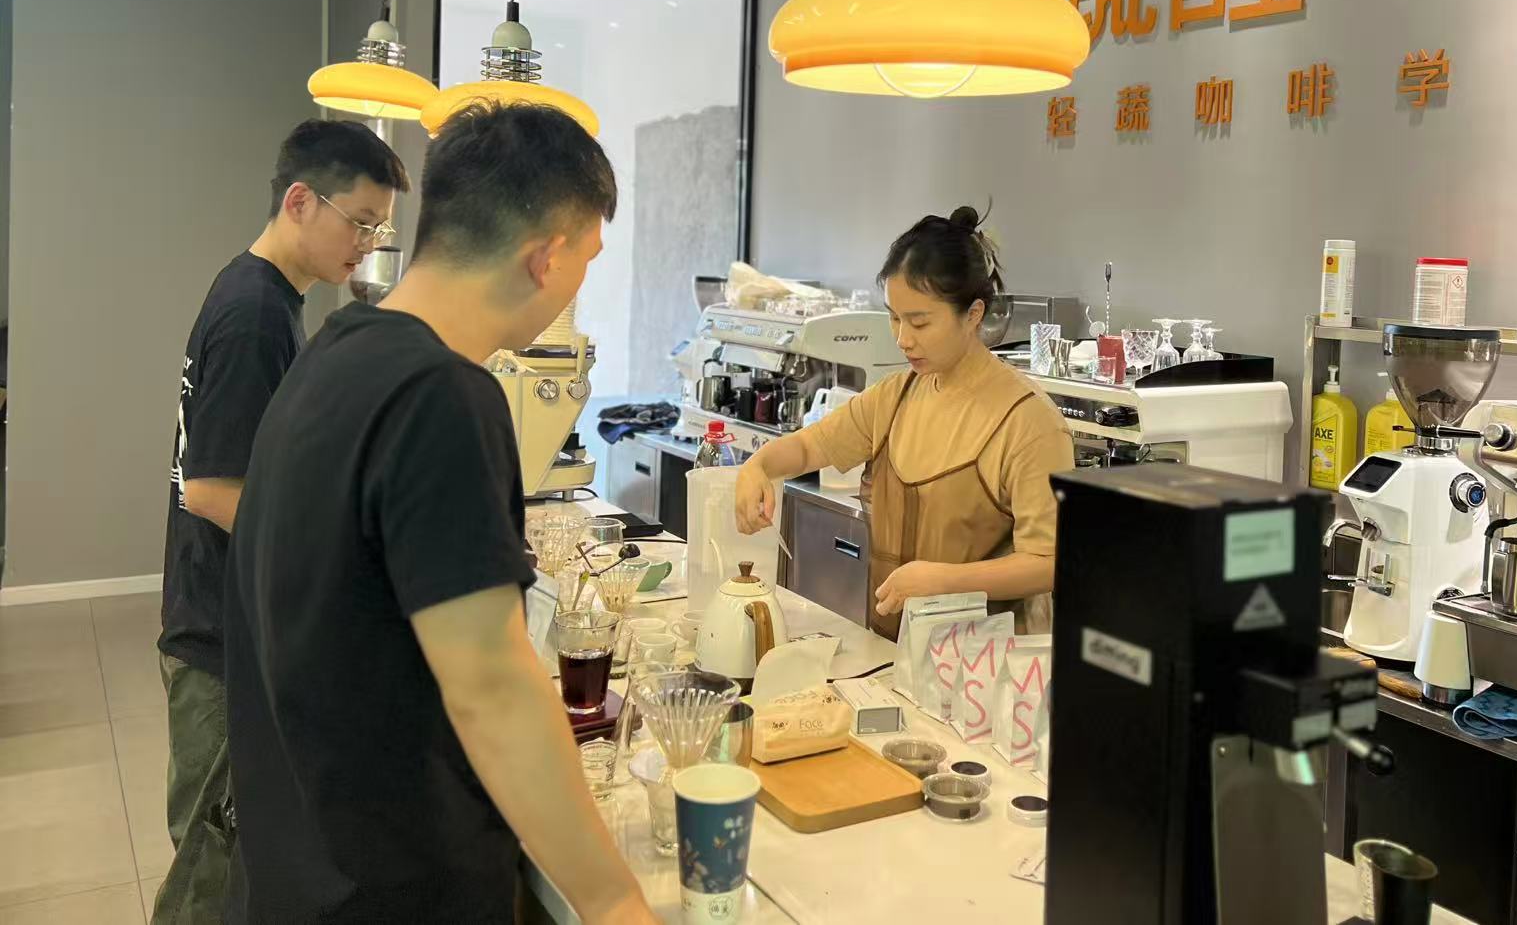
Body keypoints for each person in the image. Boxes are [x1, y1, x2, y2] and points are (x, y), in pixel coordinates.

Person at [222, 102, 656, 925]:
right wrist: (610, 900)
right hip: (391, 886)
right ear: (546, 257)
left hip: (296, 862)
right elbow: (492, 688)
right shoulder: (443, 395)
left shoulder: (336, 349)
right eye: (587, 258)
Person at [155, 120, 409, 925]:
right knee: (209, 869)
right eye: (359, 222)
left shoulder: (268, 298)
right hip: (220, 635)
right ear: (301, 201)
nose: (366, 246)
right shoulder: (254, 313)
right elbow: (209, 490)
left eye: (378, 229)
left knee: (236, 864)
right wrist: (335, 554)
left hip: (227, 622)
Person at [735, 206, 1073, 639]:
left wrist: (944, 581)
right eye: (895, 317)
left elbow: (1048, 563)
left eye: (920, 322)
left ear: (973, 314)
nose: (902, 338)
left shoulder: (1029, 422)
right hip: (894, 648)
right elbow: (808, 447)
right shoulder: (895, 397)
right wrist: (759, 466)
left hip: (989, 661)